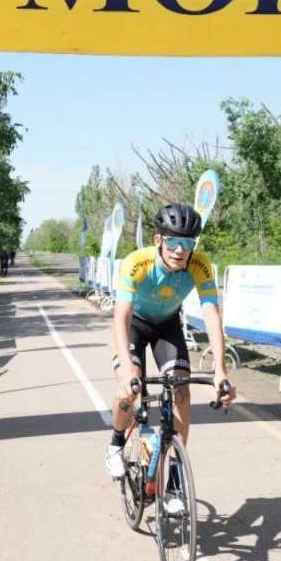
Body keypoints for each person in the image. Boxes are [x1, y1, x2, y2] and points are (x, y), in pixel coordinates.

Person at [104, 203, 236, 513]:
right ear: (158, 240)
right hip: (133, 325)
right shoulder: (137, 263)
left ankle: (175, 481)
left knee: (181, 391)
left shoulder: (200, 266)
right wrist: (126, 368)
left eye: (188, 244)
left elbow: (211, 315)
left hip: (167, 327)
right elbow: (120, 317)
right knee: (131, 388)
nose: (180, 250)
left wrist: (220, 370)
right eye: (173, 241)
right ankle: (115, 441)